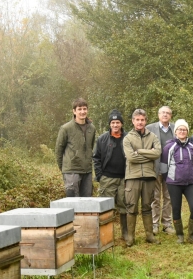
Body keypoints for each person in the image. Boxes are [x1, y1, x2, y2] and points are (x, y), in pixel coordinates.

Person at [160, 119, 193, 244]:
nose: (182, 131)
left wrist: (190, 175)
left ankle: (192, 235)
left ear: (187, 132)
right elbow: (164, 166)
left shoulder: (192, 147)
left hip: (190, 182)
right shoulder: (169, 147)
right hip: (174, 183)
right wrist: (168, 179)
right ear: (176, 132)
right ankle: (180, 235)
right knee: (176, 209)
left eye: (184, 129)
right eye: (180, 129)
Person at [123, 109, 162, 246]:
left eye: (142, 120)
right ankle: (130, 237)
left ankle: (149, 235)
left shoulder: (153, 137)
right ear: (133, 121)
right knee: (131, 207)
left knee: (147, 206)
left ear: (146, 121)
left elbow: (157, 153)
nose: (140, 122)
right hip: (132, 177)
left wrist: (139, 151)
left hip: (149, 176)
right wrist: (148, 154)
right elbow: (131, 157)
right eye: (137, 119)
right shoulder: (127, 138)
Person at [93, 109, 128, 241]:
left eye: (117, 122)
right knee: (106, 207)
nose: (115, 125)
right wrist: (100, 176)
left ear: (121, 124)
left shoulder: (128, 137)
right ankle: (106, 234)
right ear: (109, 124)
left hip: (124, 178)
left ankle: (125, 233)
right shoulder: (102, 139)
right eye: (113, 122)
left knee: (124, 205)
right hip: (107, 178)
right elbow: (96, 158)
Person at [55, 97, 96, 197]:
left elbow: (90, 147)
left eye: (84, 109)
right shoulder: (66, 128)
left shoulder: (92, 128)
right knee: (73, 203)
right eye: (79, 109)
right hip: (71, 171)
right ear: (74, 111)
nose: (82, 111)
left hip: (87, 170)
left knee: (87, 204)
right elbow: (58, 150)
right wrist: (64, 169)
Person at [146, 106, 176, 235]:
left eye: (168, 113)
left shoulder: (176, 128)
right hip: (155, 167)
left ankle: (167, 224)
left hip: (171, 169)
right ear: (158, 114)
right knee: (155, 198)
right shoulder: (150, 128)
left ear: (171, 115)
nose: (165, 115)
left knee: (169, 197)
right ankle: (154, 224)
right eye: (163, 112)